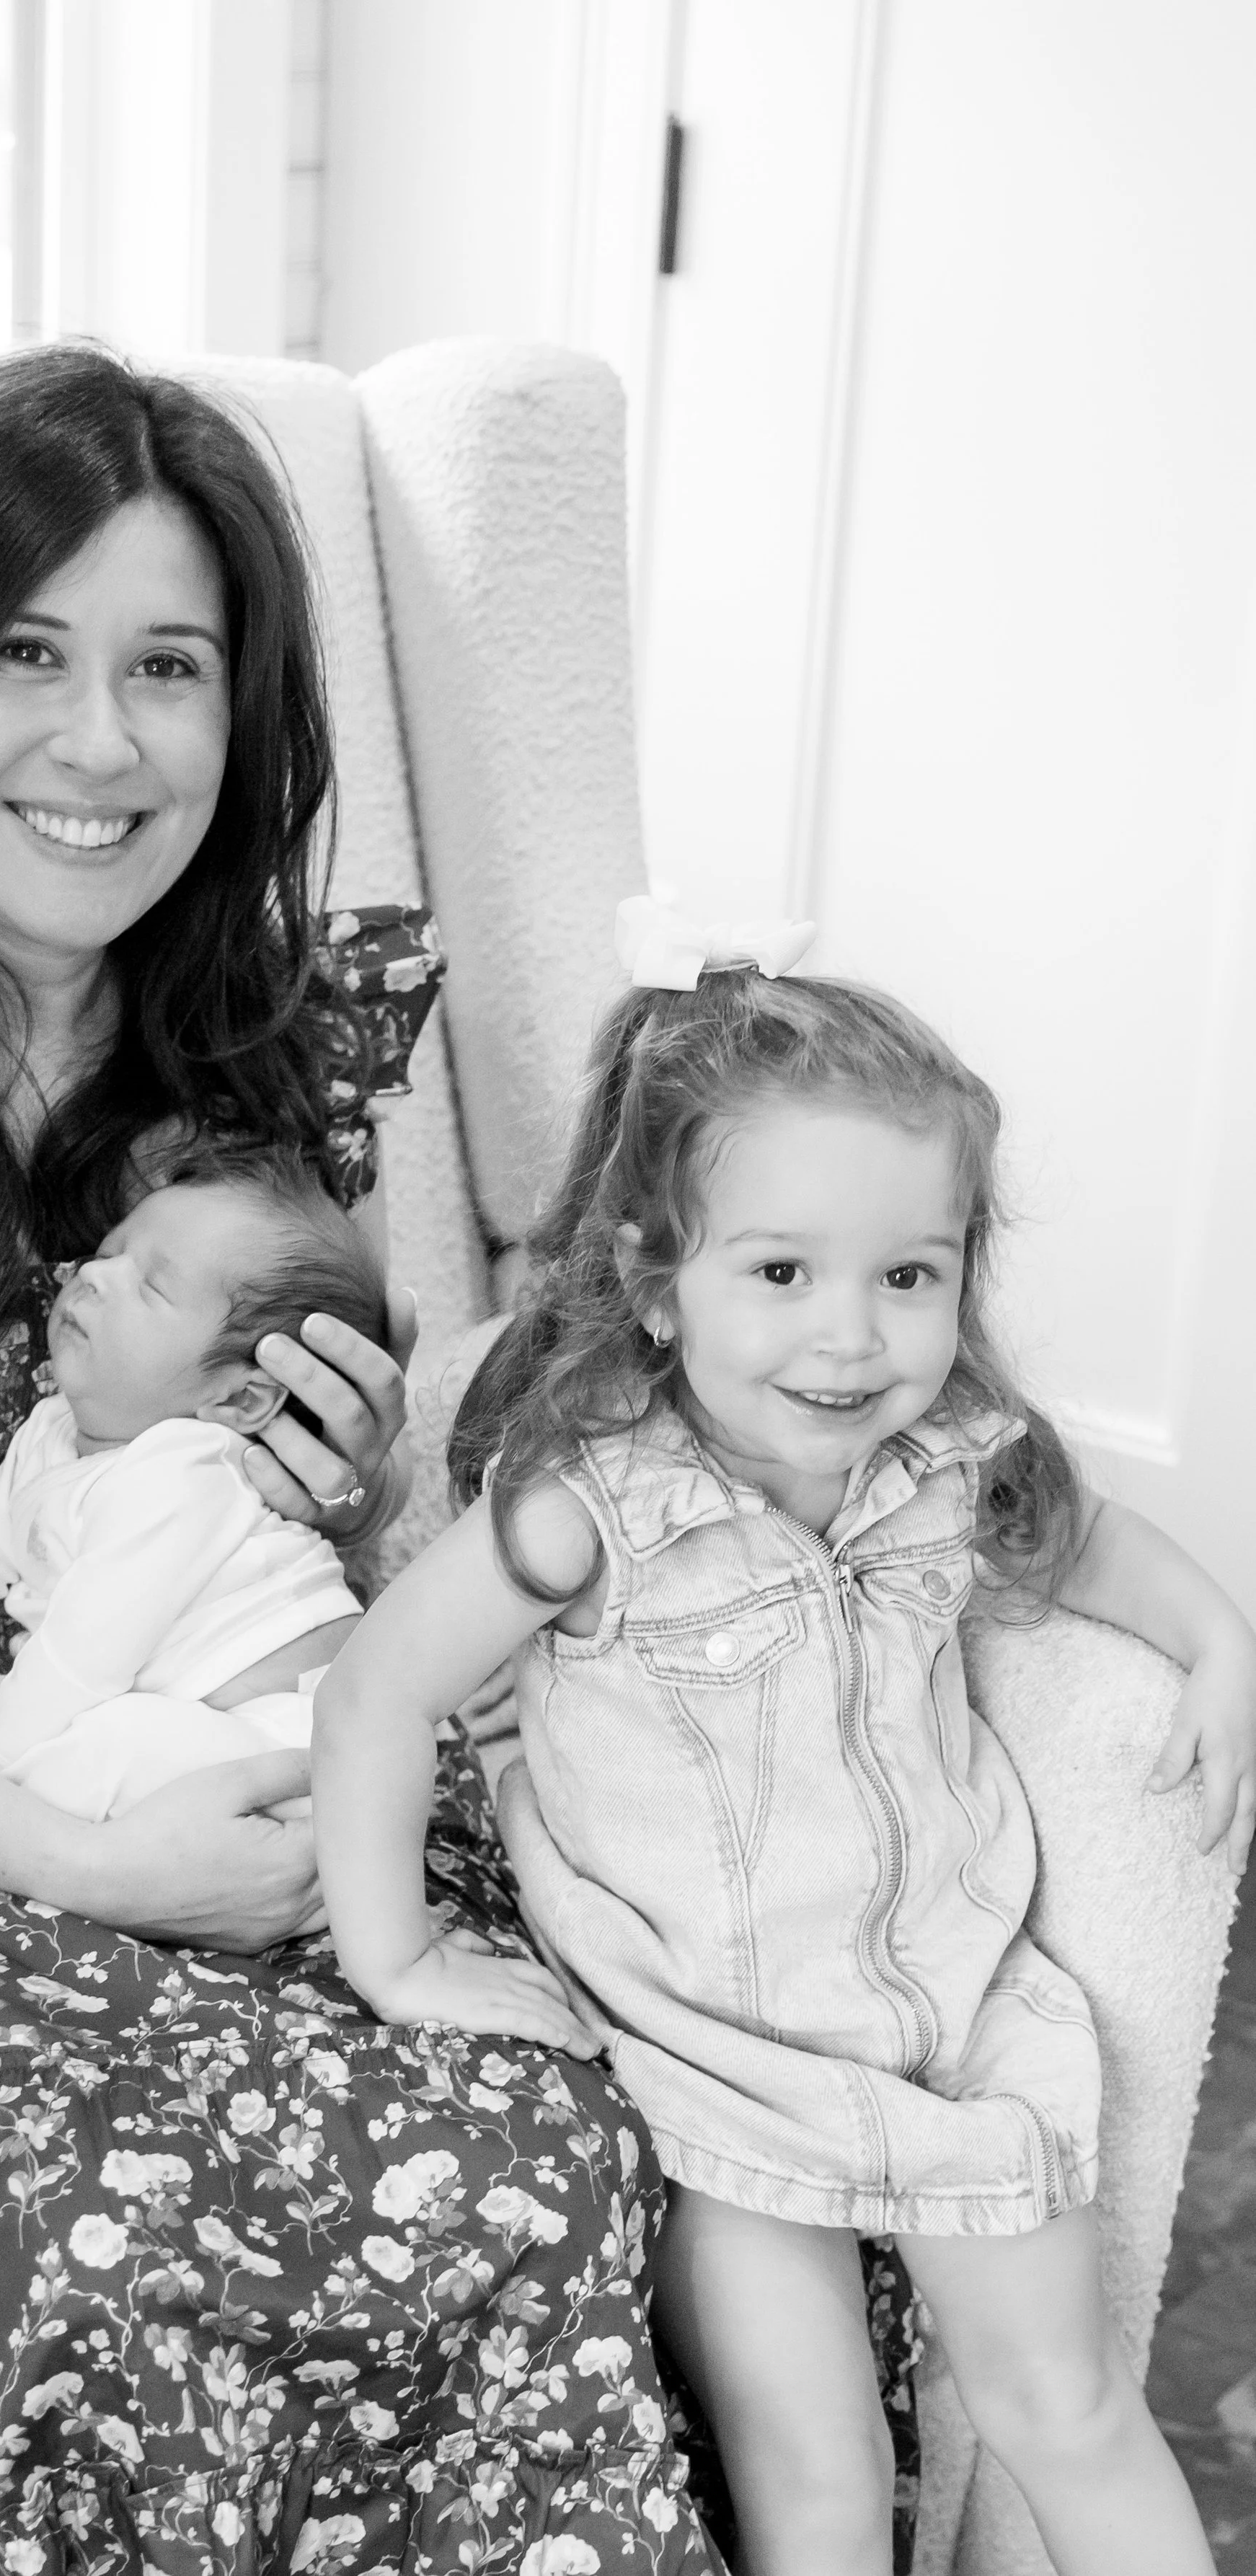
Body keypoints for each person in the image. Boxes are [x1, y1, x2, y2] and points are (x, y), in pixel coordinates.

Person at [0, 349, 931, 2572]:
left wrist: (336, 1499)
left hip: (272, 1775)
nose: (99, 739)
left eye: (169, 666)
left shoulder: (261, 1022)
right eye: (25, 652)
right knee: (68, 2219)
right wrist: (82, 1862)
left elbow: (315, 1526)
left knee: (557, 2121)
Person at [313, 900, 1256, 2576]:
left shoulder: (954, 1451)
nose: (850, 1334)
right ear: (653, 1284)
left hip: (956, 2019)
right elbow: (376, 1685)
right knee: (816, 2479)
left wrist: (1218, 1639)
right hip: (716, 2058)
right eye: (778, 1273)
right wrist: (394, 1954)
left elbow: (1092, 1543)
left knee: (1073, 2410)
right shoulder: (587, 1506)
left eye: (909, 1274)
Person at [0, 1153, 384, 1818]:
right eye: (109, 1250)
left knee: (109, 1745)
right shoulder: (52, 1430)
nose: (94, 1274)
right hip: (202, 1736)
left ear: (242, 1400)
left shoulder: (187, 1475)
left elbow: (84, 1655)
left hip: (301, 1740)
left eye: (152, 1287)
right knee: (107, 1744)